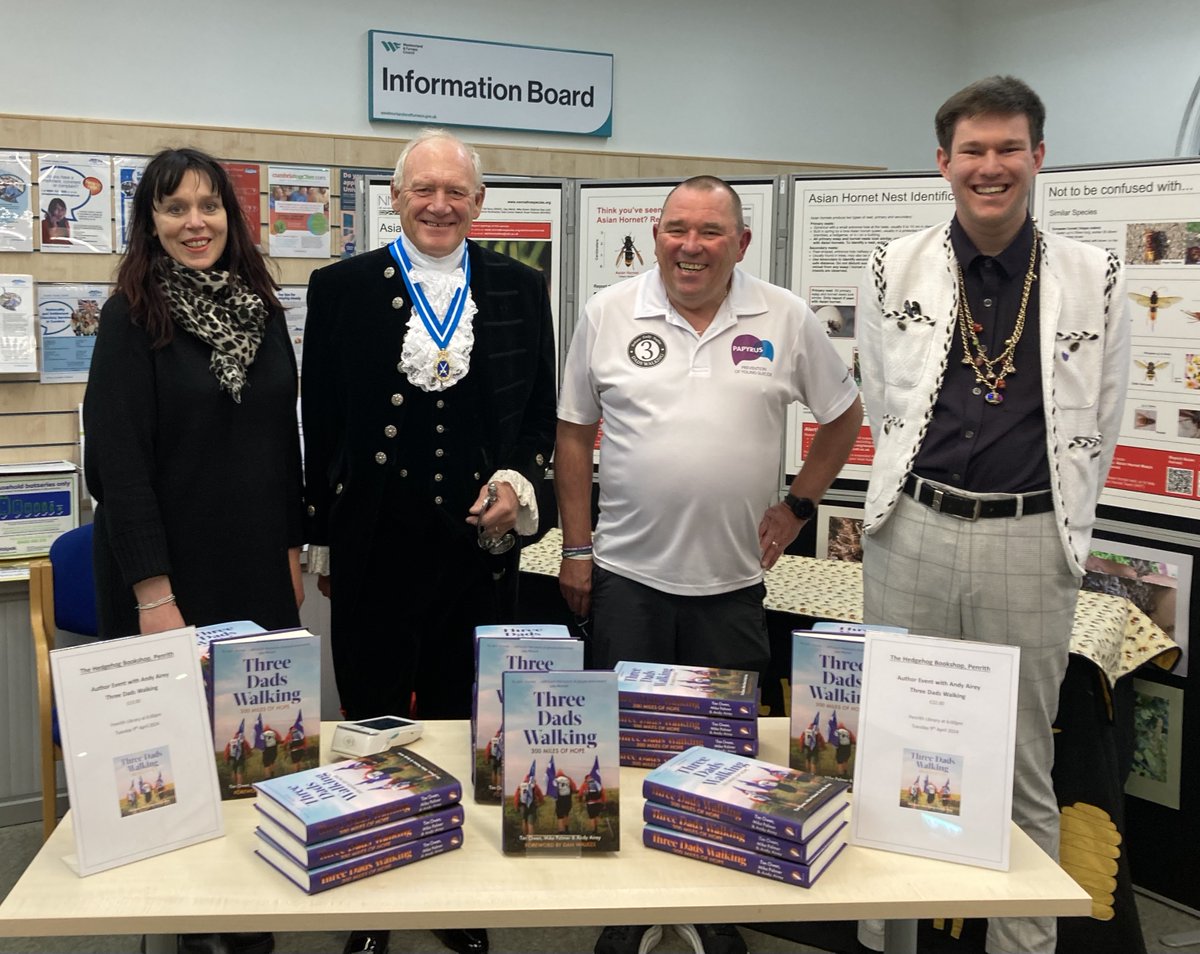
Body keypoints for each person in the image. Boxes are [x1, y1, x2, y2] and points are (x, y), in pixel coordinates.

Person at [857, 76, 1130, 954]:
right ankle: (889, 942)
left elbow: (1106, 412)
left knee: (1021, 772)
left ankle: (1022, 946)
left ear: (1038, 157)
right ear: (943, 163)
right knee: (895, 757)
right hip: (914, 531)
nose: (991, 166)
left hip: (1028, 535)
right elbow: (879, 391)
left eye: (1009, 148)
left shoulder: (1095, 276)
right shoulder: (892, 265)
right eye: (972, 150)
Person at [556, 176, 862, 954]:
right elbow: (572, 437)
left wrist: (798, 504)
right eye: (676, 229)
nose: (691, 246)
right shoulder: (608, 312)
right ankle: (627, 918)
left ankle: (716, 915)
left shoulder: (786, 318)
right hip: (627, 578)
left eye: (710, 232)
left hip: (730, 586)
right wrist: (577, 549)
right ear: (655, 234)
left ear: (742, 244)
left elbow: (844, 416)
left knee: (726, 762)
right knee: (623, 759)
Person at [302, 128, 555, 954]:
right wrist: (320, 536)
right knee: (372, 725)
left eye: (456, 192)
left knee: (463, 722)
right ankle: (370, 898)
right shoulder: (339, 287)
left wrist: (517, 485)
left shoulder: (519, 288)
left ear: (479, 204)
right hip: (375, 538)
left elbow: (535, 419)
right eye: (423, 190)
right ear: (396, 198)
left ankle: (457, 898)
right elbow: (323, 424)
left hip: (477, 549)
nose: (439, 205)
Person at [84, 146, 297, 954]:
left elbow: (283, 444)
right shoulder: (132, 317)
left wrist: (289, 548)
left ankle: (252, 920)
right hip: (165, 578)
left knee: (256, 756)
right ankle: (192, 922)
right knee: (175, 765)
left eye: (209, 206)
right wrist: (153, 594)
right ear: (151, 222)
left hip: (254, 573)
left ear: (230, 218)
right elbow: (118, 465)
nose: (195, 222)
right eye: (175, 208)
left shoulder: (263, 309)